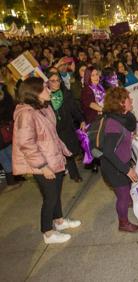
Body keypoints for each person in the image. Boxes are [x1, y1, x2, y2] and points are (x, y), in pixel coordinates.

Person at [13, 77, 81, 244]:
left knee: (56, 193)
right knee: (50, 197)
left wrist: (63, 153)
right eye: (45, 88)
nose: (50, 90)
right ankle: (48, 233)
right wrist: (42, 166)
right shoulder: (26, 114)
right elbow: (26, 144)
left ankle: (58, 221)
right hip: (42, 164)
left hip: (53, 159)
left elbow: (52, 136)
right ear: (34, 93)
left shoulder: (44, 108)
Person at [101, 87, 138, 233]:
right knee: (123, 195)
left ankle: (128, 202)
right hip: (114, 167)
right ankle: (123, 223)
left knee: (126, 188)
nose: (131, 100)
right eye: (128, 99)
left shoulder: (123, 118)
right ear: (120, 103)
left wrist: (129, 137)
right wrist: (127, 169)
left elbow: (121, 136)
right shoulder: (113, 123)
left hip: (122, 161)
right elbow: (108, 151)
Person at [47, 71, 85, 182]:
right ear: (47, 82)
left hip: (67, 127)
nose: (56, 83)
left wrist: (81, 119)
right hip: (53, 129)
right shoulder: (45, 97)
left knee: (69, 151)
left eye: (58, 80)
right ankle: (60, 172)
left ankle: (74, 174)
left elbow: (74, 108)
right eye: (52, 81)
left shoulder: (65, 93)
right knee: (57, 153)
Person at [0, 84, 21, 190]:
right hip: (4, 131)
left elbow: (8, 110)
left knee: (7, 155)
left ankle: (14, 179)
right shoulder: (5, 92)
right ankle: (14, 179)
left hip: (4, 130)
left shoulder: (5, 94)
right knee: (6, 155)